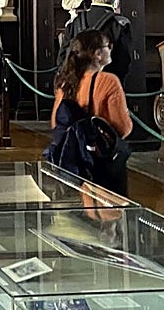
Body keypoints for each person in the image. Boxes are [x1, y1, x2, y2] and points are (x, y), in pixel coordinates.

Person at [50, 30, 134, 194]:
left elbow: (56, 122)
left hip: (74, 161)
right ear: (97, 54)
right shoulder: (109, 81)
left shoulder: (66, 81)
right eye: (107, 46)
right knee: (110, 212)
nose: (111, 49)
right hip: (102, 160)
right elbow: (123, 128)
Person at [57, 0, 133, 86]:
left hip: (77, 88)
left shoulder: (74, 23)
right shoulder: (120, 25)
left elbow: (62, 59)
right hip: (107, 87)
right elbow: (124, 63)